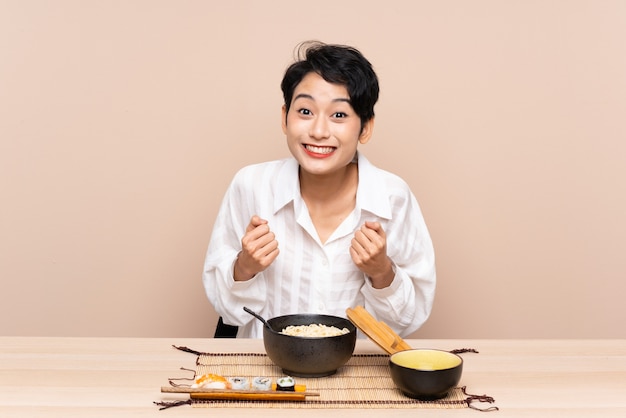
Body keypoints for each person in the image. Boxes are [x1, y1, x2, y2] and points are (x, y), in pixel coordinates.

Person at [202, 41, 435, 338]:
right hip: (266, 373)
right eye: (305, 111)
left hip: (355, 376)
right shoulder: (250, 186)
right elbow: (227, 309)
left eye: (339, 115)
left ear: (365, 128)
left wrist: (382, 272)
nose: (319, 131)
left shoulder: (393, 197)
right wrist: (244, 267)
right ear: (285, 118)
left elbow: (408, 320)